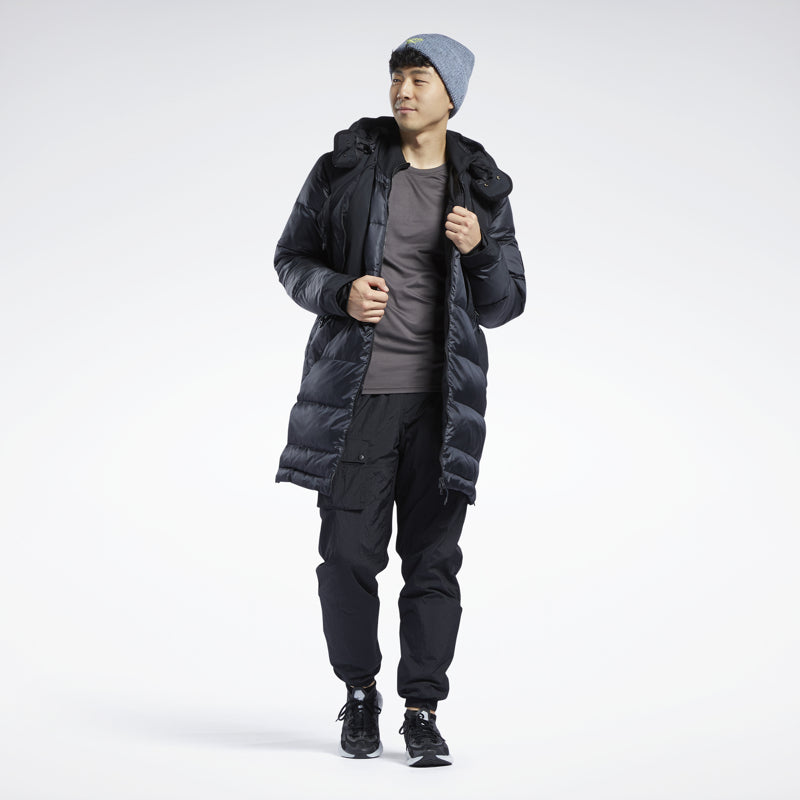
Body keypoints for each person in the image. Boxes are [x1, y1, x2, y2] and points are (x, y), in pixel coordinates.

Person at [274, 33, 526, 767]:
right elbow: (291, 258)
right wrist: (340, 292)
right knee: (346, 557)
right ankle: (360, 693)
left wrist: (480, 249)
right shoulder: (345, 167)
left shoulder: (481, 186)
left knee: (433, 564)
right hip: (358, 401)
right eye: (397, 78)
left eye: (420, 79)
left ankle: (423, 709)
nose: (403, 92)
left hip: (444, 409)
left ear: (452, 95)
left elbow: (506, 303)